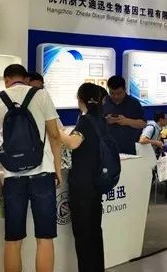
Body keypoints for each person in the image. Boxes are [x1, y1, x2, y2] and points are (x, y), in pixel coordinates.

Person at [0, 64, 62, 272]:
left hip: (13, 177)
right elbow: (55, 135)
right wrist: (57, 169)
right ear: (26, 79)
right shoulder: (41, 95)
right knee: (45, 237)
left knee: (13, 239)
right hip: (43, 174)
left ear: (6, 80)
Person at [60, 83, 106, 272]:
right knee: (94, 232)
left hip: (82, 185)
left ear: (80, 99)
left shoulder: (85, 121)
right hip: (95, 183)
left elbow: (73, 143)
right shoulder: (100, 119)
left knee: (84, 235)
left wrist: (55, 129)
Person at [140, 111, 167, 200]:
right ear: (161, 119)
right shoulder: (151, 127)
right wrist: (156, 142)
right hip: (148, 158)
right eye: (166, 118)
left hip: (152, 155)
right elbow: (142, 140)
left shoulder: (158, 128)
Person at [102, 76, 146, 155]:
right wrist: (105, 120)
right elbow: (96, 123)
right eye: (112, 93)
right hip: (107, 149)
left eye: (119, 93)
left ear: (125, 89)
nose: (116, 96)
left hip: (129, 149)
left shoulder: (134, 103)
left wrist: (126, 121)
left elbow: (143, 124)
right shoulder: (103, 102)